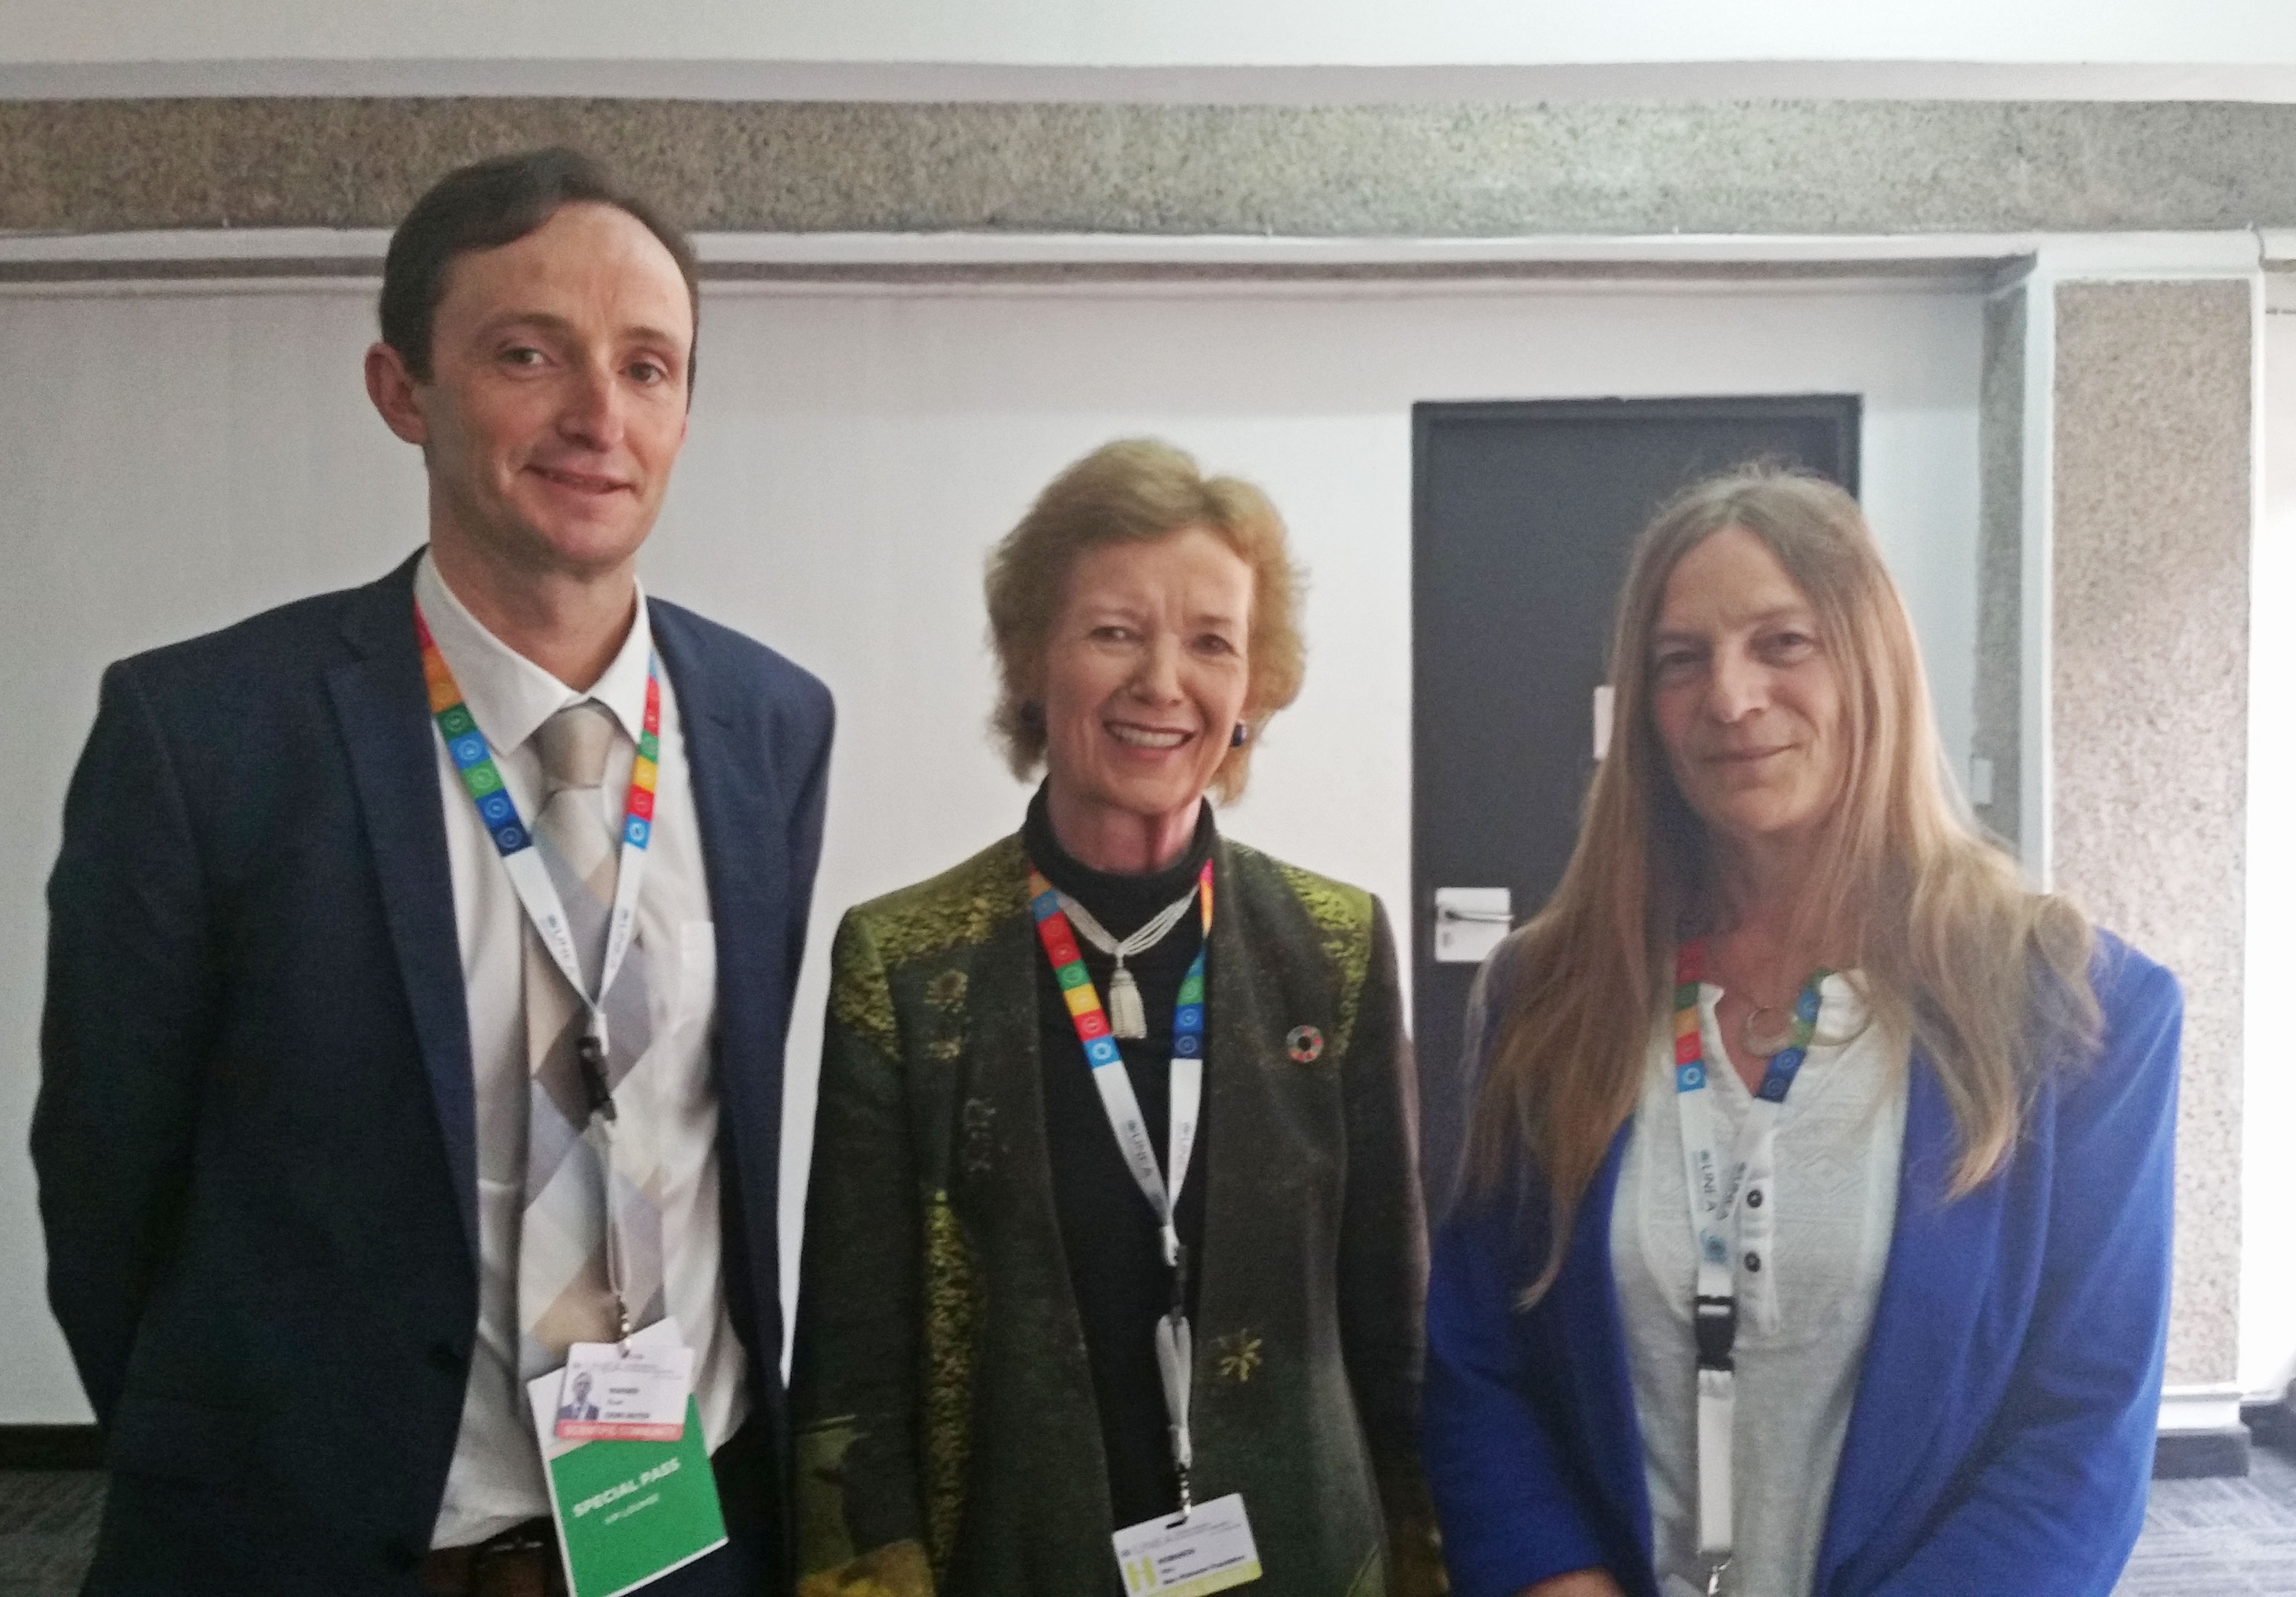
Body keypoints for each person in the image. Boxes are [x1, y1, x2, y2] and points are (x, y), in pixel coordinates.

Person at [35, 148, 833, 1594]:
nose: (600, 414)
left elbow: (722, 1139)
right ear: (403, 390)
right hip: (315, 1553)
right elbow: (104, 1182)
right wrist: (244, 1462)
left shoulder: (770, 722)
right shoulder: (206, 734)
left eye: (648, 367)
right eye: (531, 353)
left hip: (681, 1544)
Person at [1422, 468, 2180, 1597]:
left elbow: (2081, 1434)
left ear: (1872, 662)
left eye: (1784, 642)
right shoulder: (1551, 993)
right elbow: (1483, 1359)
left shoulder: (2078, 1011)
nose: (1730, 698)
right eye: (1682, 659)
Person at [788, 439, 1443, 1597]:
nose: (1162, 682)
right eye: (1114, 631)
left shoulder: (1333, 947)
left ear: (1254, 687)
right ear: (1032, 660)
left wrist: (1424, 1565)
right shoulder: (905, 963)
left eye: (1211, 641)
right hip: (1019, 1560)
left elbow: (1393, 1333)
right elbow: (853, 1375)